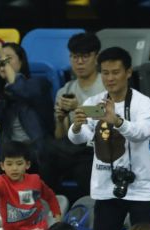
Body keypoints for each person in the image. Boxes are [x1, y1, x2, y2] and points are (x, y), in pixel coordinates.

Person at [68, 47, 150, 230]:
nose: (110, 78)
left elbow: (142, 132)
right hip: (106, 184)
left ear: (128, 72)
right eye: (105, 73)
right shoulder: (94, 103)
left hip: (141, 186)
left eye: (116, 72)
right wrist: (76, 126)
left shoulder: (144, 104)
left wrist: (117, 121)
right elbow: (81, 138)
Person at [41, 32, 104, 201]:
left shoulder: (106, 85)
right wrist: (61, 119)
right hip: (73, 149)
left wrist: (78, 107)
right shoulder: (65, 90)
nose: (80, 62)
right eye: (75, 57)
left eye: (85, 56)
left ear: (96, 58)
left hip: (98, 147)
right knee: (44, 151)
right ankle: (50, 203)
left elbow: (106, 114)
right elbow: (60, 136)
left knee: (82, 169)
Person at [0, 42, 54, 164]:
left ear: (21, 62)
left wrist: (2, 57)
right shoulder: (2, 94)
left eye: (8, 58)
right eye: (0, 60)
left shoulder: (39, 83)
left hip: (37, 152)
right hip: (9, 154)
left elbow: (22, 90)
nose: (3, 63)